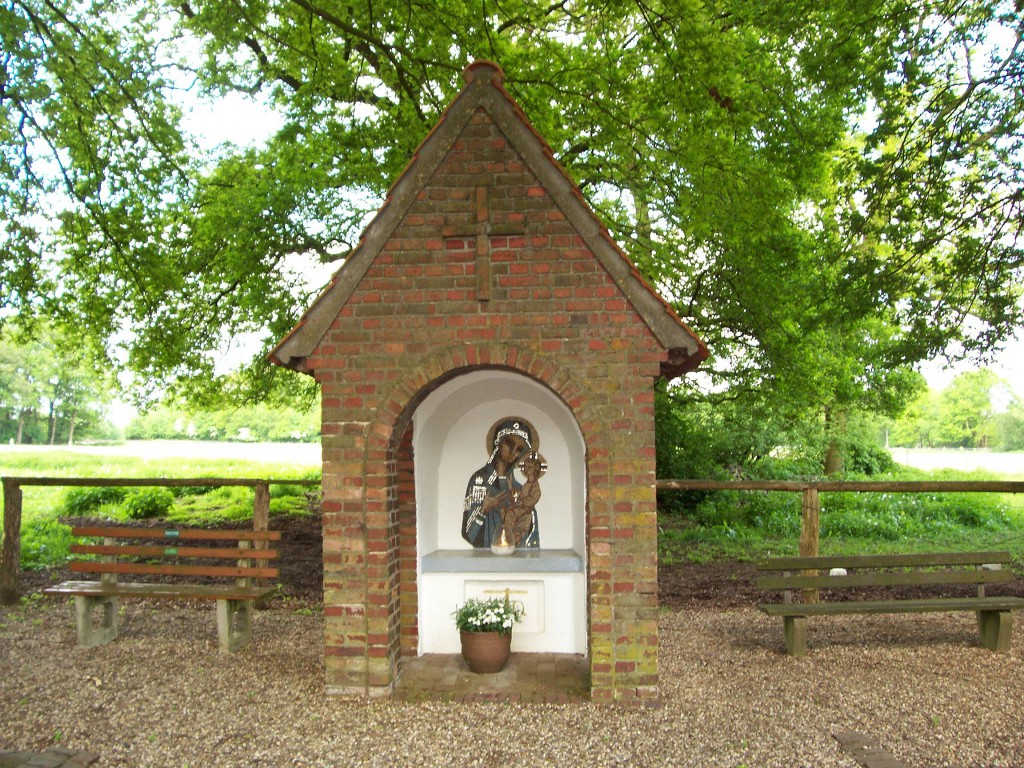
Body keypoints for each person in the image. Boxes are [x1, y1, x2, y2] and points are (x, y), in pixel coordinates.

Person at [462, 418, 541, 549]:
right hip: (487, 560)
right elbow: (468, 534)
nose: (512, 452)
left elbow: (531, 536)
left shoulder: (519, 489)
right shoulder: (479, 481)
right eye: (509, 443)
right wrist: (483, 510)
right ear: (498, 442)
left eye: (519, 449)